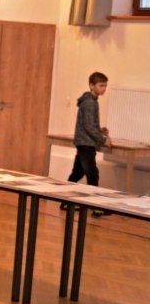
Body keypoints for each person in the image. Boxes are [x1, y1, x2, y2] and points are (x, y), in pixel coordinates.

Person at [66, 72, 111, 217]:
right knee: (92, 174)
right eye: (101, 85)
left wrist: (100, 130)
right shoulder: (90, 102)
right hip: (86, 143)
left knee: (77, 173)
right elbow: (88, 126)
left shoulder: (90, 101)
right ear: (92, 85)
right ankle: (94, 207)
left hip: (84, 142)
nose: (104, 88)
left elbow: (89, 124)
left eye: (105, 86)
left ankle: (65, 201)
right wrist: (103, 139)